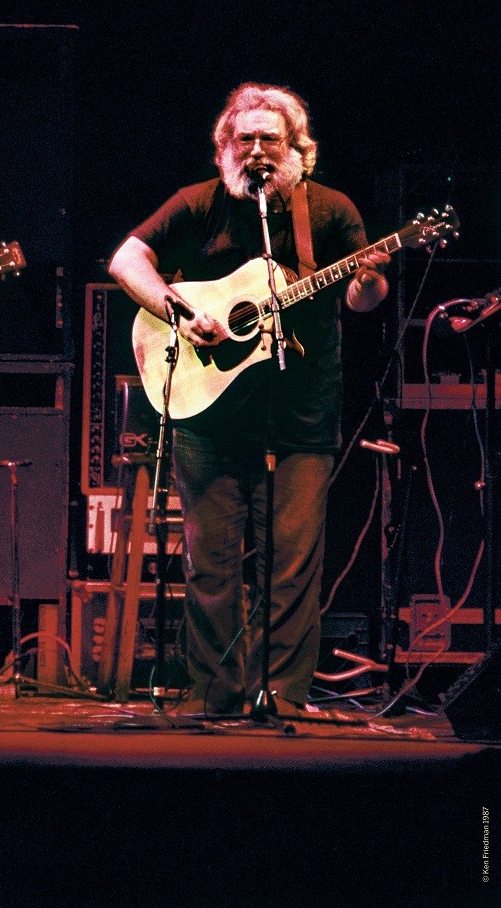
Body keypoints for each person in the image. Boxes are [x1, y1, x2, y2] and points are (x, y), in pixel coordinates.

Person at [108, 83, 388, 717]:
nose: (259, 151)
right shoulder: (198, 204)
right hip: (207, 411)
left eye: (272, 139)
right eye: (246, 139)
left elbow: (361, 300)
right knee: (212, 559)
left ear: (297, 150)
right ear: (224, 149)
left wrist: (368, 281)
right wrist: (176, 311)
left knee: (292, 562)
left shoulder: (332, 211)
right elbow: (128, 258)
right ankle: (215, 692)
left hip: (302, 406)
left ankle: (283, 695)